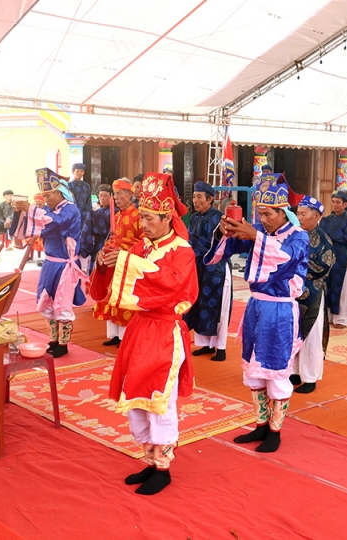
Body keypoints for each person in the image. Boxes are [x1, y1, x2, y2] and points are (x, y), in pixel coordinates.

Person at [94, 172, 197, 496]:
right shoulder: (143, 246)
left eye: (150, 218)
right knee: (136, 391)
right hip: (141, 329)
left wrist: (125, 261)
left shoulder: (182, 252)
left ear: (168, 218)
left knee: (160, 400)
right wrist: (106, 264)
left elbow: (166, 284)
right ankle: (150, 459)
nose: (144, 224)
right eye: (142, 217)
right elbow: (129, 274)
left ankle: (164, 467)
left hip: (165, 331)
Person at [205, 177, 309, 454]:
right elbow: (232, 247)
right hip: (256, 306)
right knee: (254, 368)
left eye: (268, 214)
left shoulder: (298, 236)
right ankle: (261, 424)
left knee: (274, 369)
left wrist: (256, 236)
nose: (263, 219)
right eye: (260, 214)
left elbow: (285, 260)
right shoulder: (263, 235)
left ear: (282, 211)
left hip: (279, 309)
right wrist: (225, 232)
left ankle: (275, 431)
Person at [14, 168, 87, 357]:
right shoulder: (49, 209)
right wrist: (21, 213)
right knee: (47, 300)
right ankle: (53, 339)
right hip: (50, 262)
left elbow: (54, 223)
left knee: (62, 303)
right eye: (44, 196)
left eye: (48, 195)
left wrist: (30, 209)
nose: (46, 200)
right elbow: (39, 224)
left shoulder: (70, 209)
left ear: (58, 193)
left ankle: (64, 344)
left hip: (64, 264)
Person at [291, 196, 335, 394]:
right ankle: (294, 371)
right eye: (298, 213)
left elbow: (324, 267)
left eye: (303, 213)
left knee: (311, 336)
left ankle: (310, 377)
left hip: (313, 293)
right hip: (292, 292)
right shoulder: (293, 234)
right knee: (293, 331)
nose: (299, 217)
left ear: (316, 216)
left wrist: (298, 263)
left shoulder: (324, 240)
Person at [185, 182, 232, 362]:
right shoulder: (195, 217)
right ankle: (205, 344)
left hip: (217, 269)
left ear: (210, 199)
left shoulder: (220, 218)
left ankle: (221, 348)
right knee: (201, 304)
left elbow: (222, 244)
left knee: (218, 308)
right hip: (199, 267)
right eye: (194, 196)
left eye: (199, 197)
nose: (195, 200)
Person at [92, 178, 142, 347]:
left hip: (128, 263)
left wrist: (125, 251)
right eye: (116, 194)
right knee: (112, 297)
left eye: (120, 194)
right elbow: (113, 239)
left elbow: (144, 242)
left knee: (125, 298)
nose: (116, 197)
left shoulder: (138, 216)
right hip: (114, 264)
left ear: (129, 195)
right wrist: (103, 250)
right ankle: (114, 334)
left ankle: (125, 336)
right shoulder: (118, 216)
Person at [321, 192, 347, 329]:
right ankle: (329, 316)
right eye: (333, 202)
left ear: (345, 204)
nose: (335, 205)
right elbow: (322, 235)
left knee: (341, 287)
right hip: (327, 257)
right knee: (328, 286)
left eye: (338, 202)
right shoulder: (326, 219)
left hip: (341, 257)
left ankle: (342, 318)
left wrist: (331, 234)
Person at [79, 184, 114, 273]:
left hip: (110, 245)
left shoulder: (115, 212)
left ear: (111, 197)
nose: (102, 198)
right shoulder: (95, 212)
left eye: (105, 196)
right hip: (97, 245)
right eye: (100, 195)